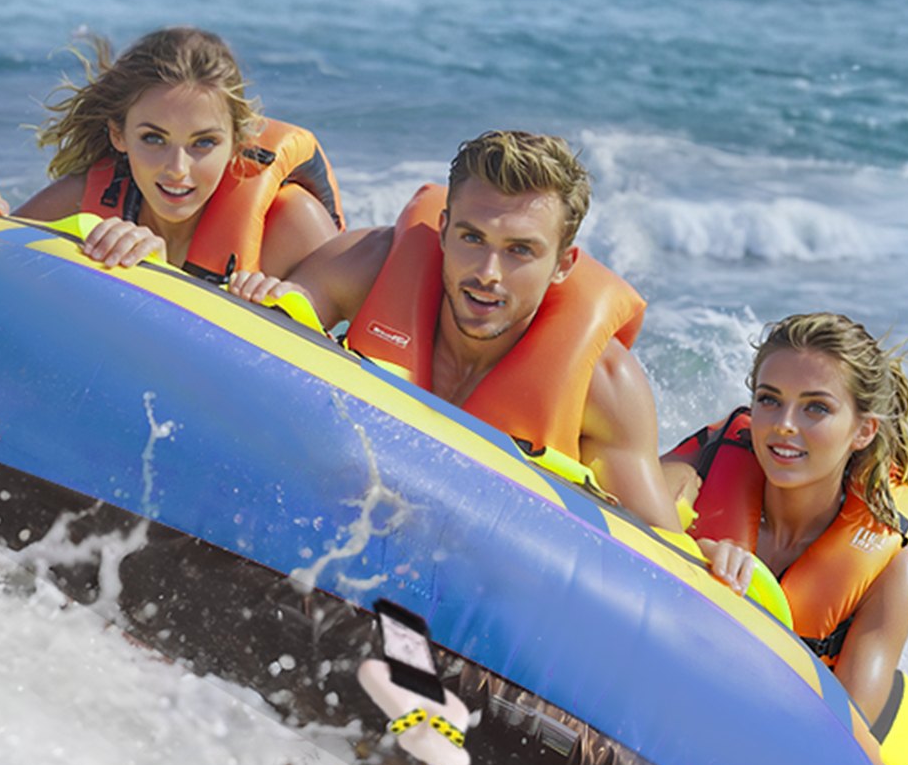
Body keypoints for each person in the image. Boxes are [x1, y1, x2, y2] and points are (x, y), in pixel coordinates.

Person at [230, 130, 684, 533]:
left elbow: (665, 564)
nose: (488, 272)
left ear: (563, 265)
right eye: (473, 238)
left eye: (520, 251)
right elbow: (254, 349)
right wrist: (257, 299)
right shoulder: (371, 263)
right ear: (444, 230)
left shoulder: (605, 387)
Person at [663, 313, 908, 727]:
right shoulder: (697, 471)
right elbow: (608, 535)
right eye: (769, 399)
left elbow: (842, 742)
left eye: (816, 408)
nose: (784, 425)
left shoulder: (888, 575)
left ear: (863, 431)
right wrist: (691, 555)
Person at [0, 26, 343, 277]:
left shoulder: (292, 227)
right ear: (119, 136)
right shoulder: (87, 200)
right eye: (154, 139)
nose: (177, 169)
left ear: (237, 142)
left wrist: (159, 279)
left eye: (203, 143)